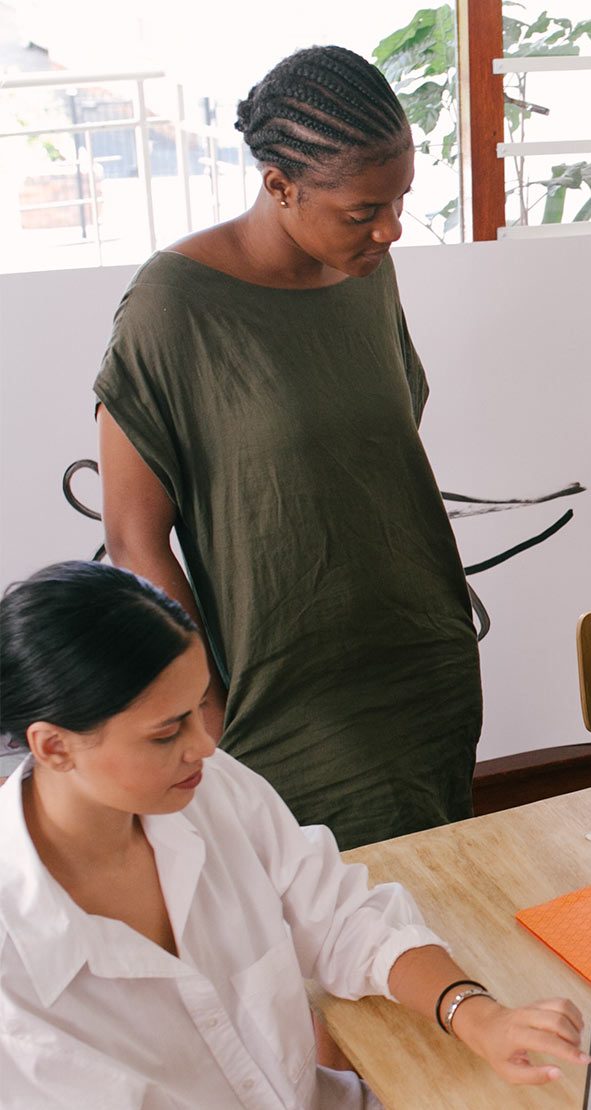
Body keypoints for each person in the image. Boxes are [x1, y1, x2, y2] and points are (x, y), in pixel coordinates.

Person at [0, 561, 587, 1110]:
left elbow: (340, 915)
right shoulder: (11, 954)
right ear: (53, 746)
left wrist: (477, 1015)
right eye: (167, 731)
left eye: (201, 706)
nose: (205, 746)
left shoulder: (204, 789)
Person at [95, 45, 481, 851]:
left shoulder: (367, 268)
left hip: (421, 658)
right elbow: (134, 538)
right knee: (320, 926)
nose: (390, 228)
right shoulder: (173, 307)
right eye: (362, 210)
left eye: (401, 199)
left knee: (436, 898)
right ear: (280, 185)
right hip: (284, 691)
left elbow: (376, 449)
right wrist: (202, 704)